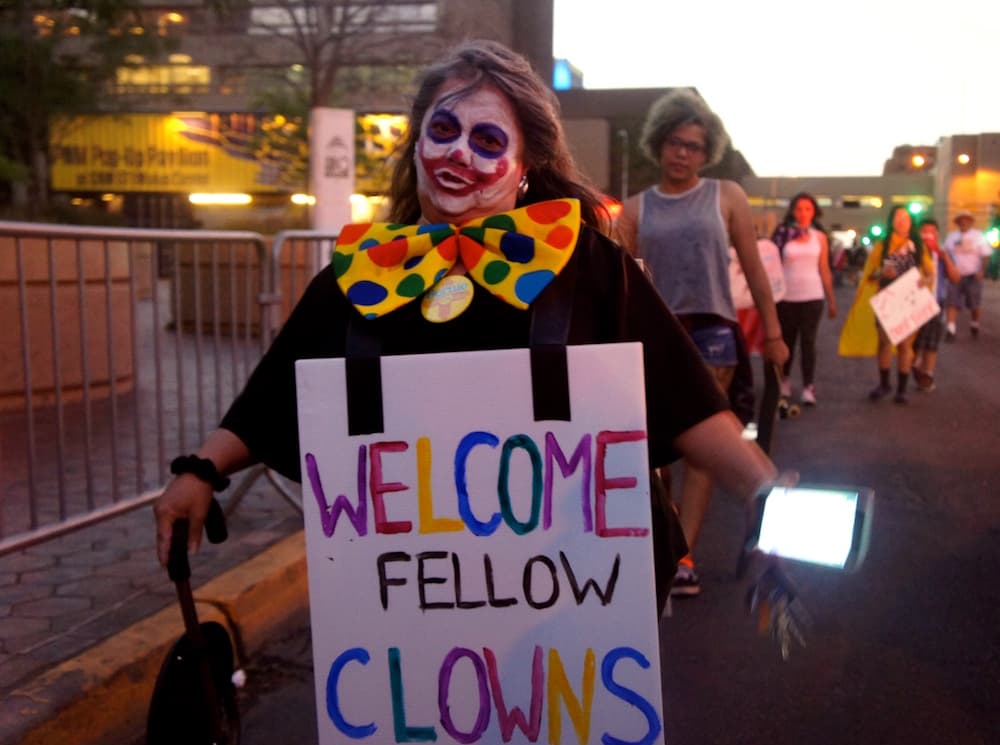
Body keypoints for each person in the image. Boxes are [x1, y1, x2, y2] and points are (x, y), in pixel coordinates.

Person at [152, 41, 780, 618]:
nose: (458, 153)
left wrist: (763, 489)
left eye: (486, 140)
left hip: (574, 597)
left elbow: (683, 396)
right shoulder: (365, 274)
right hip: (415, 607)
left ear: (525, 164)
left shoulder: (586, 265)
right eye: (444, 130)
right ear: (417, 143)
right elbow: (274, 395)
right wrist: (200, 471)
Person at [616, 89, 788, 597]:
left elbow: (754, 269)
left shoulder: (726, 195)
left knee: (701, 448)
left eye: (693, 145)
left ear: (705, 150)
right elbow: (623, 284)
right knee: (654, 453)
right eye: (675, 142)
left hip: (714, 329)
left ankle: (683, 554)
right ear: (659, 144)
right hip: (657, 334)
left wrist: (774, 335)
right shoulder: (633, 209)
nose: (683, 153)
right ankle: (665, 543)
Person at [860, 204, 934, 404]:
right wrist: (881, 273)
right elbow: (869, 275)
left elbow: (930, 272)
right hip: (887, 299)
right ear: (891, 221)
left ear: (911, 222)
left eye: (906, 217)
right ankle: (884, 384)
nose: (902, 220)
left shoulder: (918, 246)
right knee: (884, 342)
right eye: (898, 217)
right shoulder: (881, 246)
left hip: (909, 299)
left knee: (905, 345)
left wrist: (924, 281)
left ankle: (902, 389)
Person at [771, 192, 837, 407]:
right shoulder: (782, 234)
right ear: (792, 211)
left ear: (814, 211)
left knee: (808, 342)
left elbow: (824, 269)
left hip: (813, 295)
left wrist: (831, 300)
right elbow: (771, 264)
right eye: (799, 209)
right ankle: (785, 381)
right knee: (787, 340)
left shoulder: (820, 237)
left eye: (807, 209)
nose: (803, 213)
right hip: (787, 296)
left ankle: (808, 386)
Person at [912, 218, 960, 392]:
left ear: (937, 234)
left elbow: (955, 278)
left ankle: (928, 374)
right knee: (914, 343)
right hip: (913, 303)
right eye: (924, 231)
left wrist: (944, 257)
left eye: (932, 231)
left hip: (935, 302)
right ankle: (916, 366)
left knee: (932, 342)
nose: (928, 235)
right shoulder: (912, 251)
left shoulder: (943, 254)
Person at [942, 210, 993, 341]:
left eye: (966, 219)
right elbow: (945, 253)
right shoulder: (951, 237)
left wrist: (981, 270)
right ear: (958, 222)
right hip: (956, 275)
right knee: (952, 302)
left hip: (973, 275)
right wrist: (949, 270)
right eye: (961, 220)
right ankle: (951, 330)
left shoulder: (978, 236)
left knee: (974, 303)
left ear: (970, 221)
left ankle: (975, 323)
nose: (963, 222)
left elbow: (986, 254)